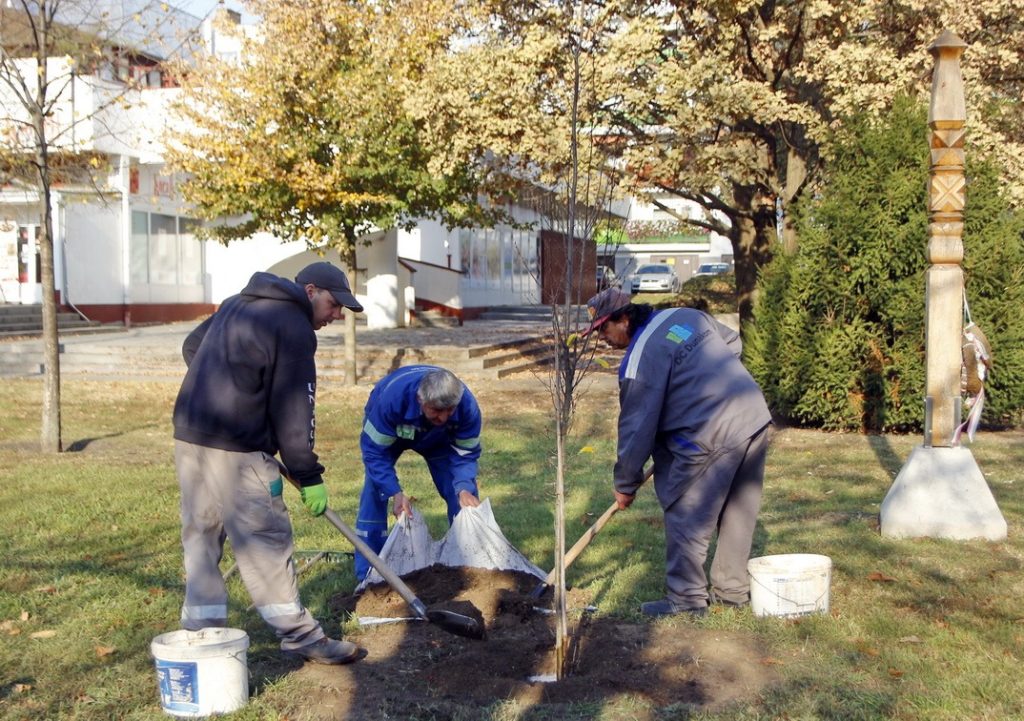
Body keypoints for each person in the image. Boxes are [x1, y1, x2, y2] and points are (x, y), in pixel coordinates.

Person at [172, 261, 367, 665]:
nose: (335, 316)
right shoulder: (293, 328)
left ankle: (201, 634)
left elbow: (193, 347)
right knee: (265, 542)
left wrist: (229, 389)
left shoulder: (237, 303)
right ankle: (301, 636)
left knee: (201, 537)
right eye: (333, 305)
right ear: (310, 291)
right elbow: (296, 410)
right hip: (240, 452)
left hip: (191, 438)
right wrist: (307, 472)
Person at [584, 287, 772, 617]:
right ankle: (731, 592)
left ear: (624, 319)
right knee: (738, 510)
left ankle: (686, 601)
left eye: (603, 329)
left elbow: (635, 428)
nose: (602, 337)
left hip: (709, 433)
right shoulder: (684, 316)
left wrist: (625, 484)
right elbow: (731, 344)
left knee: (686, 510)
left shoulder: (638, 361)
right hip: (753, 416)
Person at [354, 365, 482, 581]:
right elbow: (375, 454)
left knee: (463, 497)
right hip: (391, 434)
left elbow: (465, 454)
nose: (442, 417)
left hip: (440, 442)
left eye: (449, 410)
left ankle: (469, 567)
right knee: (375, 491)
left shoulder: (467, 407)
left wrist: (463, 487)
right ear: (420, 399)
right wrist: (394, 491)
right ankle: (369, 572)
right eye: (436, 410)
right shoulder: (391, 401)